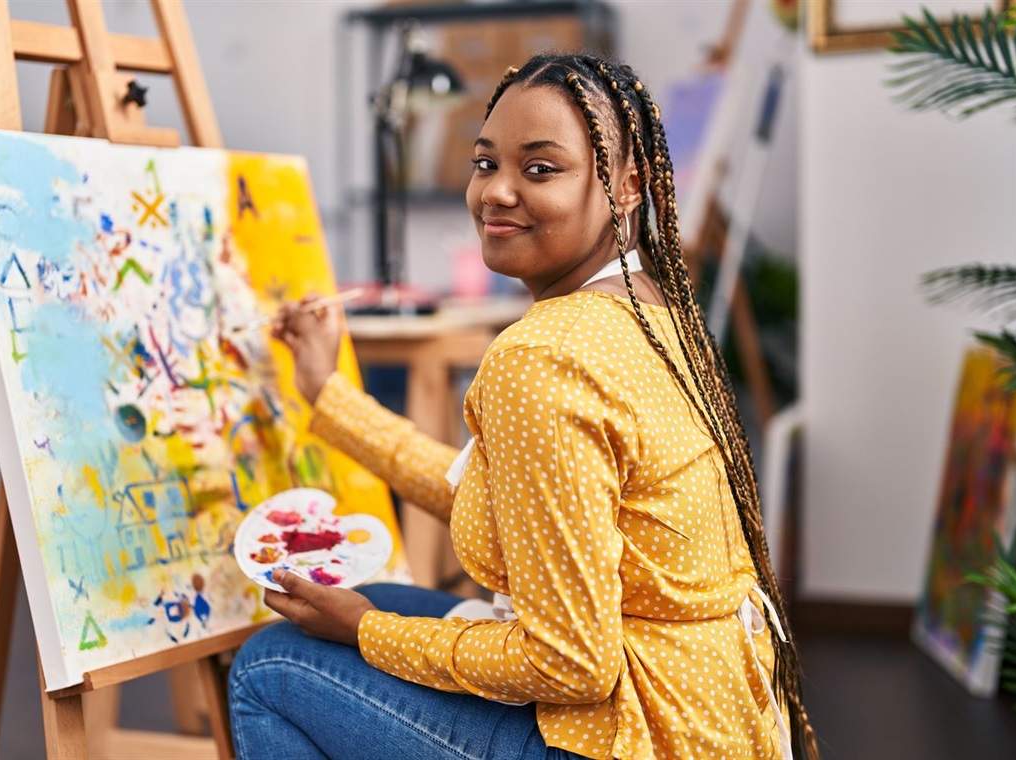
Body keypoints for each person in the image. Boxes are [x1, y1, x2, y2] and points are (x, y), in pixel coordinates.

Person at [228, 53, 818, 760]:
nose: (496, 193)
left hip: (640, 731)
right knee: (367, 608)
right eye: (485, 164)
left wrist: (364, 630)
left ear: (627, 186)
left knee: (270, 668)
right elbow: (512, 500)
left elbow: (571, 662)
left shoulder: (542, 354)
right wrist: (327, 395)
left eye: (540, 170)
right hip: (718, 718)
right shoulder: (657, 317)